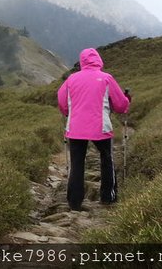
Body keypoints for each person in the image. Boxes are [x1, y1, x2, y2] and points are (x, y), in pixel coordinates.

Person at [57, 48, 130, 211]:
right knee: (107, 159)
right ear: (98, 60)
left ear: (82, 61)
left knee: (77, 164)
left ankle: (74, 202)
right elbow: (120, 105)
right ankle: (108, 198)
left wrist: (68, 112)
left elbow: (62, 101)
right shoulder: (106, 78)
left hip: (75, 128)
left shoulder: (71, 79)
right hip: (100, 128)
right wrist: (127, 101)